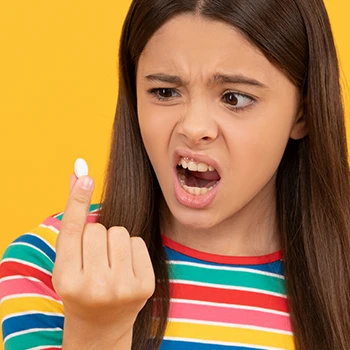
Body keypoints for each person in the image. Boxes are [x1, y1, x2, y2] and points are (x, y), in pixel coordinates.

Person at [1, 0, 350, 349]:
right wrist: (97, 332)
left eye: (234, 98)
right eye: (165, 92)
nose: (194, 127)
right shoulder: (51, 262)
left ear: (302, 111)